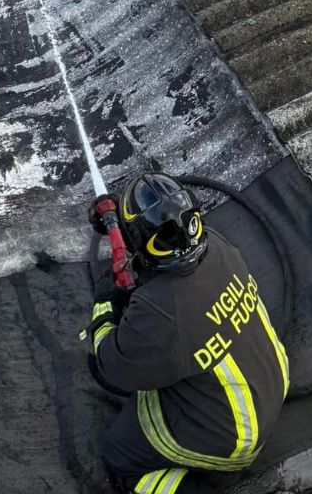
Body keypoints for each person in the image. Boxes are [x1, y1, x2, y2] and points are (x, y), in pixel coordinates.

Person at [86, 173, 289, 494]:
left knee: (119, 455)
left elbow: (109, 368)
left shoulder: (161, 312)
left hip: (233, 437)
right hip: (271, 383)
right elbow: (168, 254)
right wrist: (117, 229)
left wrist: (104, 306)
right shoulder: (217, 245)